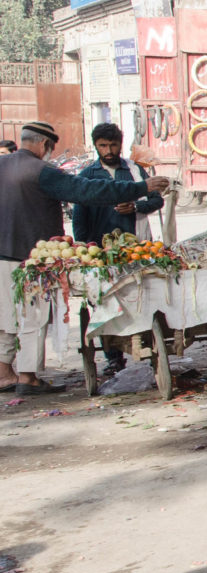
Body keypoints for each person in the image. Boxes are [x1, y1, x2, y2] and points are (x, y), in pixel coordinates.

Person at [1, 121, 169, 393]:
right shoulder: (42, 171)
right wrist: (142, 187)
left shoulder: (2, 164)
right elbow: (89, 191)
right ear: (45, 145)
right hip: (32, 260)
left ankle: (3, 372)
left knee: (5, 317)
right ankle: (27, 378)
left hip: (1, 257)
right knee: (33, 317)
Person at [71, 122, 165, 246]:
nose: (108, 151)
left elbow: (157, 201)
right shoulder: (86, 176)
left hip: (136, 247)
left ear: (120, 145)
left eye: (113, 145)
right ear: (95, 146)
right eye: (103, 146)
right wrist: (84, 248)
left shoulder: (135, 170)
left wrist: (135, 207)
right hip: (100, 249)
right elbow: (79, 219)